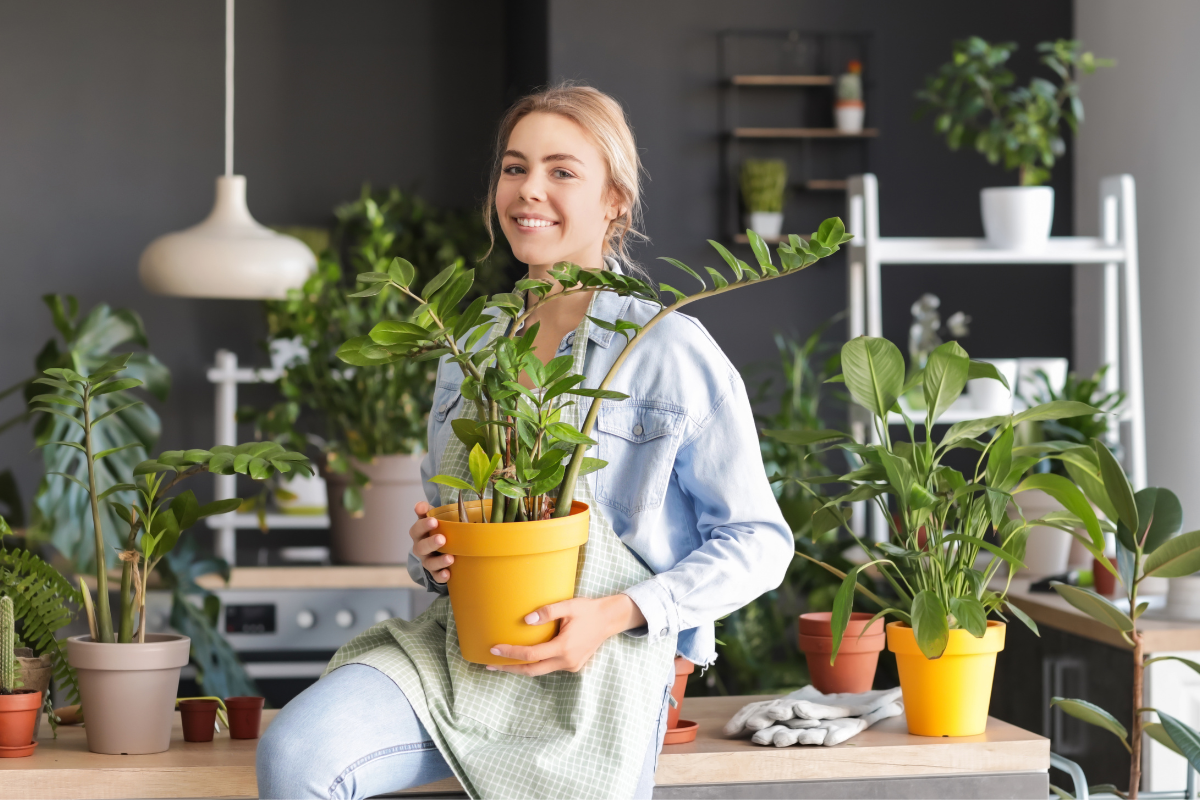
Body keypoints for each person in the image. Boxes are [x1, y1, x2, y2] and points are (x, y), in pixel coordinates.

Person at [257, 84, 792, 800]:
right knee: (296, 754)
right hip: (462, 654)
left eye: (561, 171)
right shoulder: (469, 344)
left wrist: (615, 614)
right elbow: (454, 520)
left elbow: (760, 540)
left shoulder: (668, 348)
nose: (529, 190)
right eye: (514, 168)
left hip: (609, 668)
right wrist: (435, 551)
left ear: (614, 202)